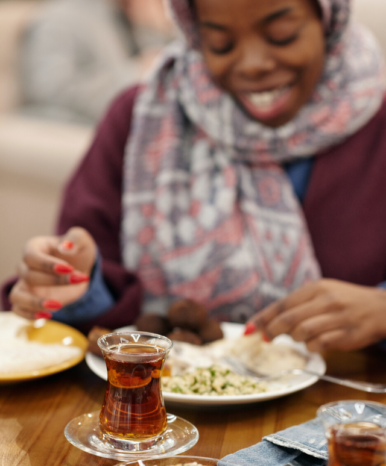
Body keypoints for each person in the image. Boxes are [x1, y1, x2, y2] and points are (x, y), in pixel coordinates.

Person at [3, 0, 386, 353]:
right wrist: (73, 287)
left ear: (329, 20)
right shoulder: (139, 120)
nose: (252, 63)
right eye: (220, 44)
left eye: (282, 36)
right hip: (159, 413)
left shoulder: (378, 124)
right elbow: (88, 300)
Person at [19, 0, 173, 123]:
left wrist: (159, 26)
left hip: (128, 116)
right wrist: (135, 73)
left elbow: (157, 54)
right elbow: (50, 91)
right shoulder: (57, 18)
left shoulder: (118, 12)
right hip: (75, 125)